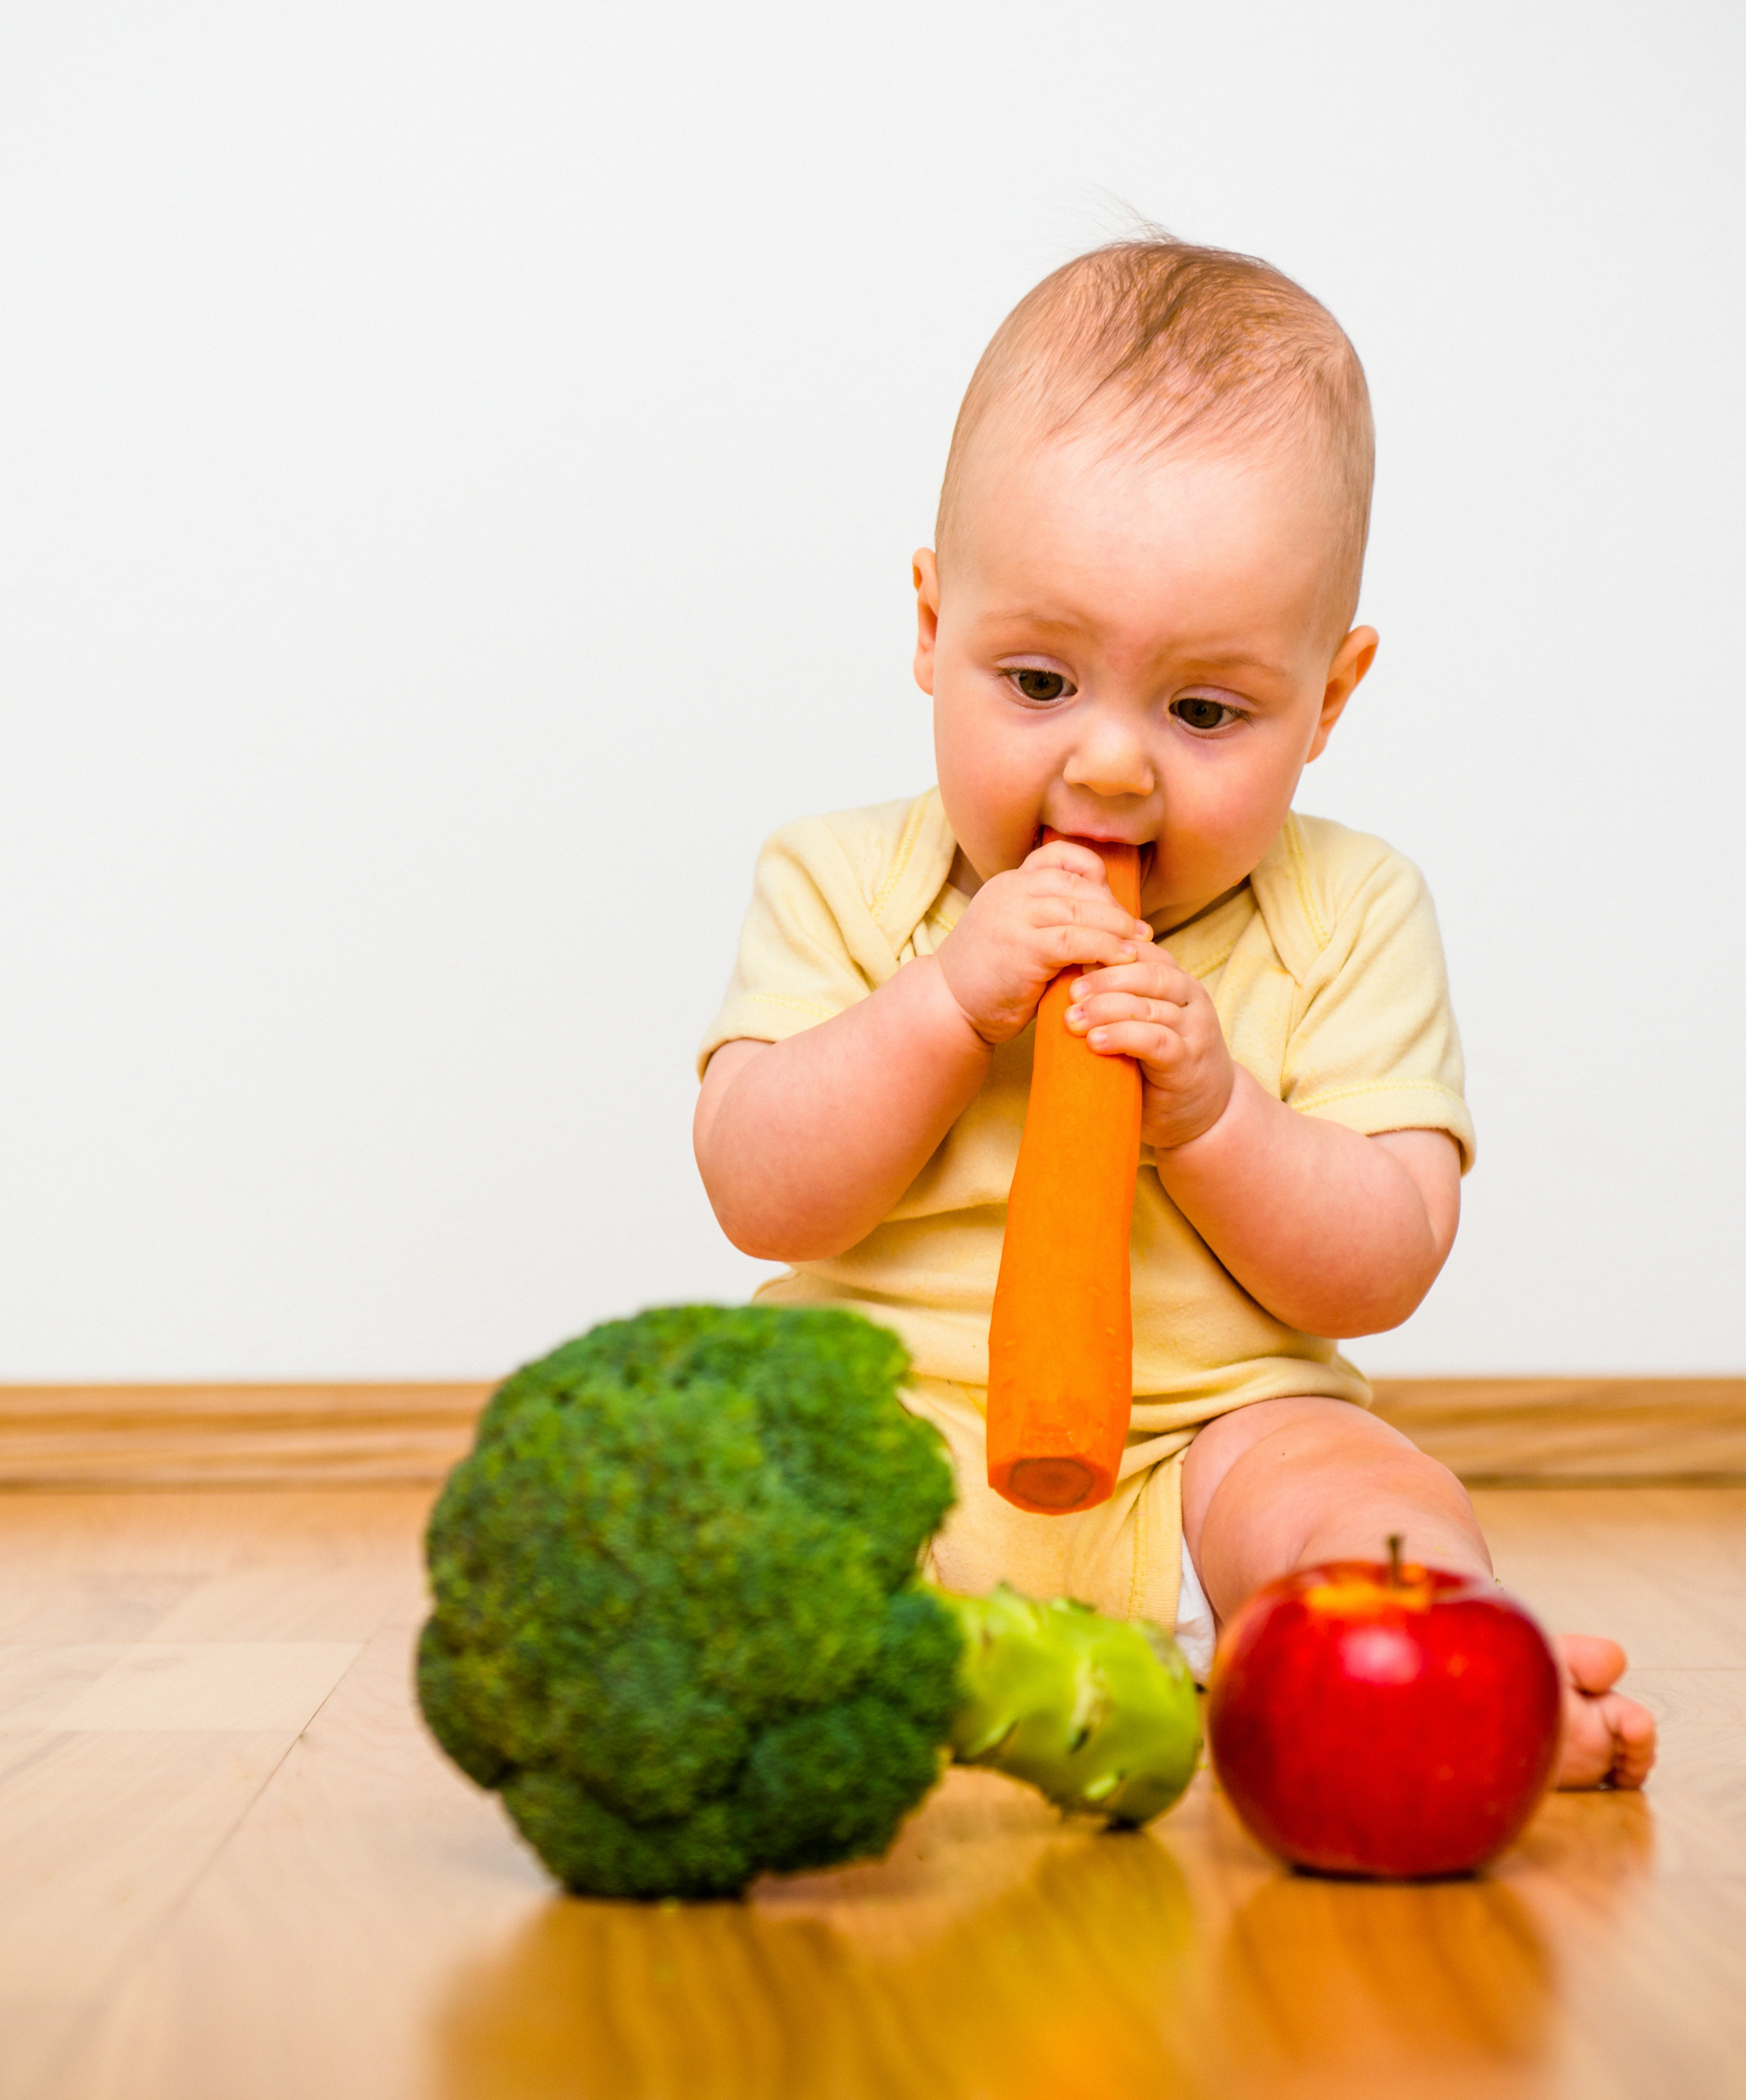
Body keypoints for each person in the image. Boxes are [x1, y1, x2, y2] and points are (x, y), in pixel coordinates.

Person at [692, 236, 1655, 1788]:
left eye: (1205, 710)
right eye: (1039, 681)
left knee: (1363, 1497)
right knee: (741, 1494)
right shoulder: (844, 880)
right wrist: (946, 1001)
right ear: (932, 627)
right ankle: (873, 1675)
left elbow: (1386, 1256)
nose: (1117, 766)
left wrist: (1214, 1110)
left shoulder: (1349, 909)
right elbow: (756, 1185)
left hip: (1213, 1453)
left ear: (1328, 701)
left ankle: (1437, 1688)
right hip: (889, 1429)